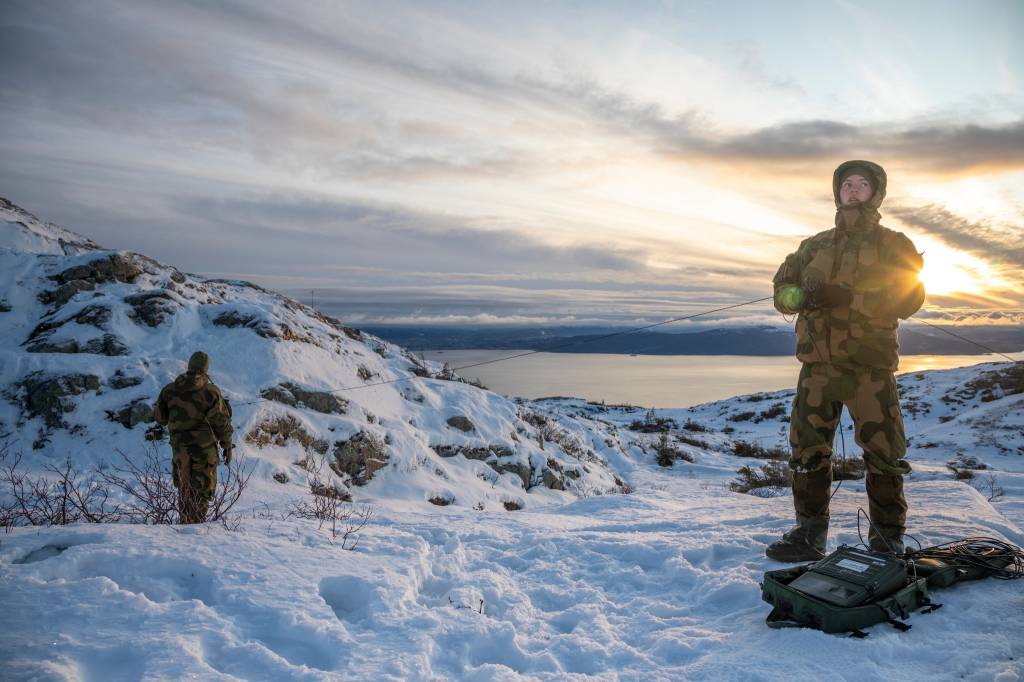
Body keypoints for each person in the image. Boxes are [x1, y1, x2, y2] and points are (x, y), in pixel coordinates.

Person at [767, 160, 925, 561]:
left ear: (876, 193)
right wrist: (798, 297)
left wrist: (851, 298)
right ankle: (808, 535)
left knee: (884, 452)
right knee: (806, 450)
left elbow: (910, 297)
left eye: (862, 184)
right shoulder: (813, 246)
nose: (853, 190)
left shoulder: (894, 245)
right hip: (817, 368)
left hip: (869, 368)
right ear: (837, 192)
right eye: (847, 184)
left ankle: (887, 538)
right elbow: (782, 288)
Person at [153, 351, 233, 524]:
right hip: (204, 451)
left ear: (189, 365)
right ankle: (195, 531)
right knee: (201, 492)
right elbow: (221, 422)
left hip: (180, 450)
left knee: (184, 488)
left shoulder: (169, 390)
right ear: (205, 369)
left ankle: (184, 526)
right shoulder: (211, 392)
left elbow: (160, 418)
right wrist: (227, 444)